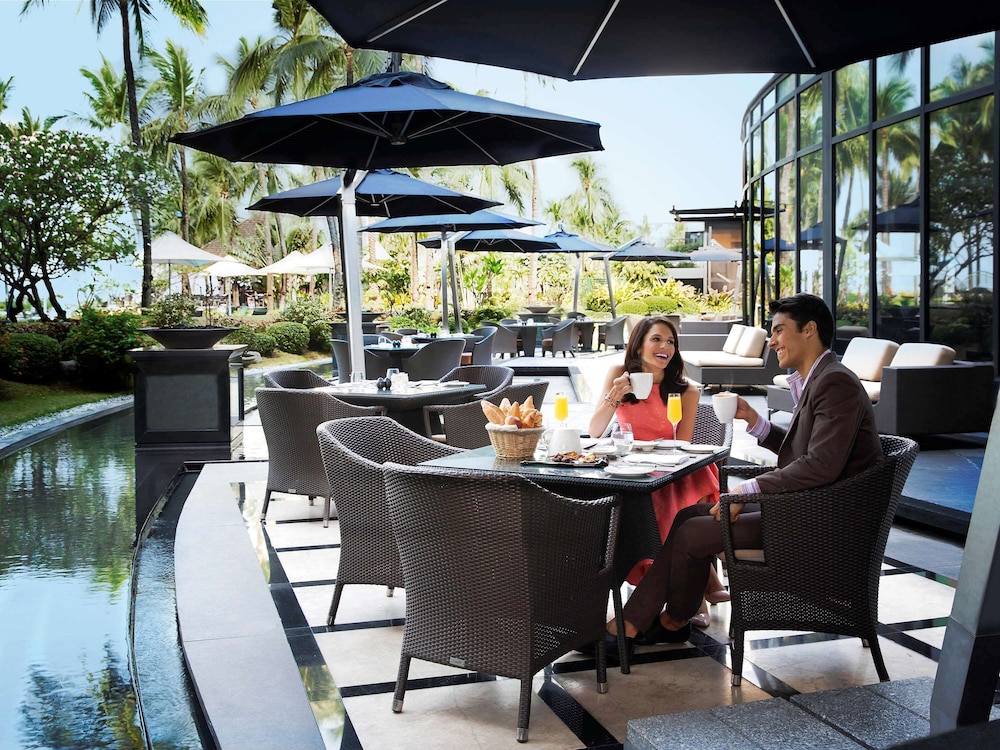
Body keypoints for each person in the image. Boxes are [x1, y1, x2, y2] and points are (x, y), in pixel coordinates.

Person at [611, 293, 884, 652]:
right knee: (687, 516)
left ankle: (642, 623)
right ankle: (669, 622)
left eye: (779, 330)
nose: (771, 341)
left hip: (822, 520)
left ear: (809, 330)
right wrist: (755, 421)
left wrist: (747, 489)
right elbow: (809, 451)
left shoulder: (835, 383)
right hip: (808, 505)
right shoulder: (820, 379)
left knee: (692, 533)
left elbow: (820, 465)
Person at [588, 315, 727, 628]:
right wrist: (614, 396)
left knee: (669, 497)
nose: (665, 346)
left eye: (671, 341)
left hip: (675, 471)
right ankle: (704, 582)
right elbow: (595, 431)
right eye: (657, 339)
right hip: (630, 471)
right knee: (650, 500)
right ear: (638, 345)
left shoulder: (686, 390)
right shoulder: (618, 375)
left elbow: (683, 444)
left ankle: (698, 594)